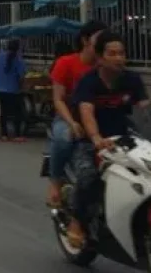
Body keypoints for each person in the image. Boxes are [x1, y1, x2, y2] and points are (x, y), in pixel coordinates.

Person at [66, 30, 149, 247]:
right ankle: (77, 220)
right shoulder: (88, 82)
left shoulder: (133, 80)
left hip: (126, 139)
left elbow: (146, 111)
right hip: (91, 141)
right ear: (100, 58)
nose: (119, 58)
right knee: (88, 178)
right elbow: (86, 113)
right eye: (112, 53)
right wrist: (95, 138)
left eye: (121, 53)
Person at [46, 20, 107, 207]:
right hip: (68, 116)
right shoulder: (65, 63)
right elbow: (58, 100)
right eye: (100, 38)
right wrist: (72, 122)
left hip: (97, 117)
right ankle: (55, 183)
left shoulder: (105, 67)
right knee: (64, 138)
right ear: (85, 40)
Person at [0, 39, 27, 142]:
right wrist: (21, 87)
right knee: (18, 112)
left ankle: (4, 135)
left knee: (3, 112)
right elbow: (21, 77)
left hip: (0, 89)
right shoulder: (18, 60)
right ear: (18, 49)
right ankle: (17, 135)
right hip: (13, 90)